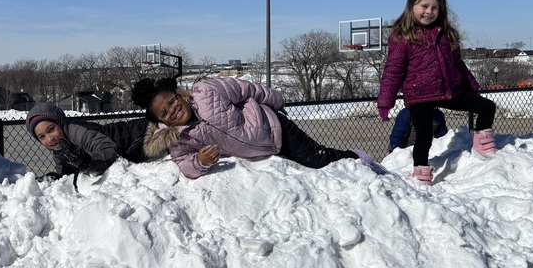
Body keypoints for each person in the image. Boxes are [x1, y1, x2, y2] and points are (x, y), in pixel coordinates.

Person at [133, 76, 377, 179]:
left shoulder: (206, 91)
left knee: (315, 159)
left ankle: (356, 157)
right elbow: (184, 164)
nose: (173, 110)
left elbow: (247, 89)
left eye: (172, 101)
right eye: (165, 112)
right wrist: (201, 161)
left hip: (273, 126)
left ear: (180, 95)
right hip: (263, 151)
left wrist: (276, 100)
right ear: (162, 121)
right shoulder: (177, 139)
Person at [377, 0, 497, 185]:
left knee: (487, 107)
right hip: (419, 95)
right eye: (424, 6)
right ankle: (421, 175)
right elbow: (393, 70)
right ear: (412, 7)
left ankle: (482, 147)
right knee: (424, 137)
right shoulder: (402, 36)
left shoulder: (447, 34)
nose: (429, 12)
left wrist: (472, 86)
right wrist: (385, 102)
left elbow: (458, 64)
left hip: (448, 91)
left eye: (434, 7)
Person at [26, 103, 155, 182]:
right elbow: (68, 173)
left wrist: (87, 160)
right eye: (42, 137)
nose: (50, 139)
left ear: (60, 123)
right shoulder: (59, 149)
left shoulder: (76, 131)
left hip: (136, 135)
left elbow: (111, 151)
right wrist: (55, 178)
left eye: (51, 129)